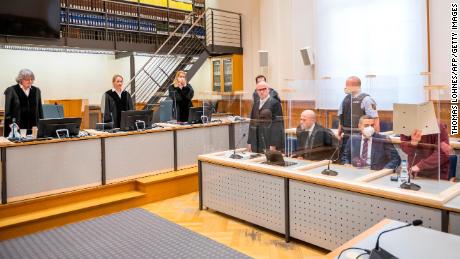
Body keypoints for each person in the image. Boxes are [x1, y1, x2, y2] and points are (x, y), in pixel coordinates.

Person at [337, 76, 380, 162]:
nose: (345, 87)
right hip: (346, 137)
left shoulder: (367, 100)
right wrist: (339, 132)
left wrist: (376, 137)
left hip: (360, 137)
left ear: (355, 86)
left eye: (347, 85)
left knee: (358, 162)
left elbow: (375, 119)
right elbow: (341, 118)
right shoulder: (345, 100)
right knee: (345, 161)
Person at [4, 69, 43, 137]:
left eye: (32, 79)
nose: (30, 81)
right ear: (21, 79)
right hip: (17, 128)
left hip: (33, 128)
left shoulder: (37, 91)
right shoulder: (11, 90)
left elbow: (40, 110)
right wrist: (11, 126)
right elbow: (8, 112)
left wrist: (42, 125)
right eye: (27, 79)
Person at [247, 81, 285, 153]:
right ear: (256, 91)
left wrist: (273, 144)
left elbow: (277, 125)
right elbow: (252, 124)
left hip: (269, 140)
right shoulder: (255, 104)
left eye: (264, 89)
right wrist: (249, 142)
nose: (262, 92)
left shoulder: (275, 103)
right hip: (256, 141)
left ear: (268, 90)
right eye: (259, 90)